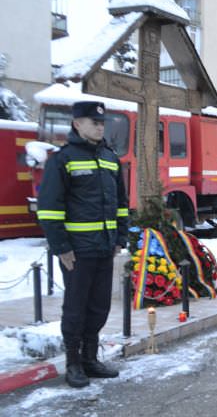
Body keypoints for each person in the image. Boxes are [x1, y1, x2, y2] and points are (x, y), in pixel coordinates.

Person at [36, 101, 128, 388]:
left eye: (102, 123)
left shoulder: (111, 159)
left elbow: (122, 205)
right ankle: (73, 364)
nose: (100, 126)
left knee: (99, 307)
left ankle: (90, 359)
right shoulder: (63, 159)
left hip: (104, 247)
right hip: (76, 251)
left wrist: (120, 238)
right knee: (76, 308)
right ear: (77, 124)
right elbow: (49, 209)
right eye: (94, 122)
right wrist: (61, 247)